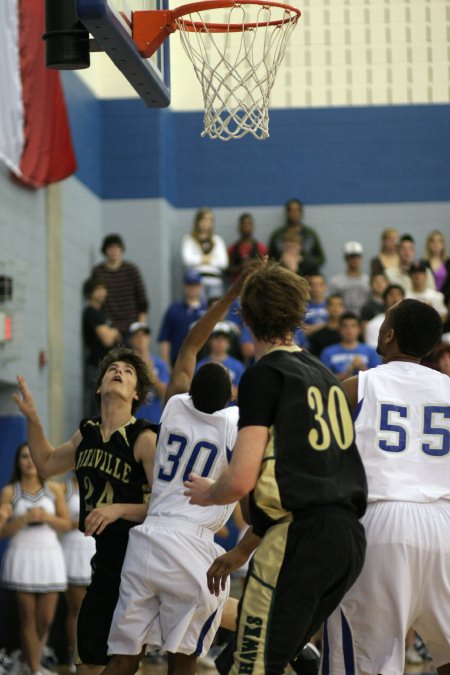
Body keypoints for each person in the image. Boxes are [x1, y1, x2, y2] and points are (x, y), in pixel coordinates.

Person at [185, 260, 368, 675]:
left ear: (246, 317)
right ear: (300, 316)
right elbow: (304, 485)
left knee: (247, 667)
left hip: (300, 540)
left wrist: (211, 492)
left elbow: (243, 479)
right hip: (347, 542)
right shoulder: (324, 375)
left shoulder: (263, 376)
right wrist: (242, 551)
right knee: (277, 658)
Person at [103, 273, 246, 675]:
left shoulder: (175, 405)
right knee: (182, 660)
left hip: (147, 540)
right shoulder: (237, 425)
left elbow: (191, 343)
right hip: (192, 547)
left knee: (124, 658)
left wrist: (230, 294)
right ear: (230, 396)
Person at [322, 299, 450, 675]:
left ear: (389, 334)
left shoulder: (359, 385)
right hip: (444, 523)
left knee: (367, 662)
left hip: (382, 519)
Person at [12, 347, 157, 675]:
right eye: (113, 369)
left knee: (128, 660)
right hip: (106, 561)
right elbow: (47, 464)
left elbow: (166, 507)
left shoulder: (144, 438)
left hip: (142, 560)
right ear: (98, 387)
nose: (118, 371)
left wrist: (118, 509)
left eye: (128, 372)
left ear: (136, 394)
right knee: (88, 664)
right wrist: (34, 421)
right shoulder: (87, 434)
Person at [0, 443, 71, 675]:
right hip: (22, 554)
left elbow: (68, 523)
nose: (29, 461)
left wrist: (47, 518)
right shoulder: (10, 491)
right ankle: (34, 669)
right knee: (27, 618)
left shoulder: (54, 489)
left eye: (33, 457)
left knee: (46, 619)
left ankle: (26, 657)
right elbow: (2, 532)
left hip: (49, 554)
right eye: (23, 457)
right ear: (17, 462)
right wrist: (24, 519)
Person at [60, 473, 96, 673]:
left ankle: (95, 654)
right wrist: (86, 521)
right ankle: (75, 654)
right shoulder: (64, 488)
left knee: (96, 608)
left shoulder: (101, 483)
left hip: (95, 547)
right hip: (72, 549)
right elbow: (61, 520)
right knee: (77, 609)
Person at [91, 234, 149, 335]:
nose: (114, 251)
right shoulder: (98, 272)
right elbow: (94, 301)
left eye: (117, 247)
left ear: (121, 250)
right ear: (105, 250)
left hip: (131, 327)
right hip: (108, 327)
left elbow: (142, 301)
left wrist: (140, 326)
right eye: (111, 247)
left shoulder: (132, 270)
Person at [82, 276, 122, 417]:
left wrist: (113, 332)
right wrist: (113, 332)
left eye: (103, 289)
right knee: (95, 404)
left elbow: (117, 336)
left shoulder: (103, 313)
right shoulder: (91, 312)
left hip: (107, 365)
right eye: (97, 289)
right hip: (95, 365)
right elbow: (107, 339)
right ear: (90, 292)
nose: (101, 292)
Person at [158, 270, 207, 367]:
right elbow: (165, 339)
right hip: (178, 361)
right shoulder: (174, 310)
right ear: (184, 286)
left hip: (204, 361)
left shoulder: (208, 309)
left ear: (201, 286)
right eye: (189, 285)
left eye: (195, 285)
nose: (192, 288)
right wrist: (166, 365)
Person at [181, 207, 229, 301]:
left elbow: (224, 263)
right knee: (200, 311)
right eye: (204, 219)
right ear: (197, 221)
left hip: (215, 281)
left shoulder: (217, 240)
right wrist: (210, 259)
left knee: (215, 312)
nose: (206, 222)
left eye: (209, 219)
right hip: (196, 282)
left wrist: (200, 259)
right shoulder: (189, 239)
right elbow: (187, 260)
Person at [127, 322, 170, 424]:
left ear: (149, 338)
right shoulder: (125, 365)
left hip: (153, 419)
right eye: (137, 335)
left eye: (144, 335)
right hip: (130, 420)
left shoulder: (159, 364)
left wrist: (150, 373)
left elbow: (165, 394)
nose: (141, 338)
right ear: (130, 339)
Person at [320, 311, 381, 380]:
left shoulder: (371, 352)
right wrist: (347, 373)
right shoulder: (327, 352)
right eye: (345, 326)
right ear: (339, 329)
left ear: (359, 329)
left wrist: (362, 367)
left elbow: (377, 379)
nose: (349, 330)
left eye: (353, 326)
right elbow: (324, 380)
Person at [267, 199, 325, 269]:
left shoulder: (310, 234)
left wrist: (304, 260)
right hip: (282, 273)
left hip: (306, 272)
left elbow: (321, 258)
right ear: (286, 213)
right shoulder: (277, 235)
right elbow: (269, 258)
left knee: (318, 280)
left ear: (301, 213)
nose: (294, 213)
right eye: (291, 210)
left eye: (297, 210)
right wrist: (283, 261)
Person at [196, 321, 246, 401]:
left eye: (224, 339)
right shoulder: (200, 365)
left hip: (230, 410)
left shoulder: (238, 366)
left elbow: (243, 393)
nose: (220, 341)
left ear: (229, 343)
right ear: (210, 341)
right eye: (216, 338)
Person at [328, 241, 370, 316]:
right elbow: (331, 303)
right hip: (343, 319)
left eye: (357, 257)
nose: (354, 260)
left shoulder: (368, 280)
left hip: (364, 318)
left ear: (361, 258)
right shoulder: (336, 281)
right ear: (345, 259)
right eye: (351, 257)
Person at [227, 213, 268, 282]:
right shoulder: (232, 248)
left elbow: (267, 268)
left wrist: (253, 263)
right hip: (236, 286)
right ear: (239, 227)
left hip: (255, 285)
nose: (246, 226)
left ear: (253, 226)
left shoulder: (261, 248)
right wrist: (241, 266)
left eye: (249, 224)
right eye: (243, 224)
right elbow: (228, 270)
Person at [364, 283, 405, 349]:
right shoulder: (373, 324)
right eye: (391, 294)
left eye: (399, 294)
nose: (395, 297)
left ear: (404, 299)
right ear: (384, 299)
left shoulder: (410, 323)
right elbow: (374, 352)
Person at [307, 293, 344, 358]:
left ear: (344, 308)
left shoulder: (349, 333)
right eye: (332, 304)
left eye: (339, 304)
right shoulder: (317, 335)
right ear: (326, 308)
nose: (335, 307)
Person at [423, 229, 450, 297]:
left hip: (446, 299)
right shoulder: (423, 263)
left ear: (443, 245)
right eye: (433, 241)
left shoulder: (448, 263)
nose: (436, 244)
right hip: (428, 299)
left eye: (439, 241)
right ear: (428, 244)